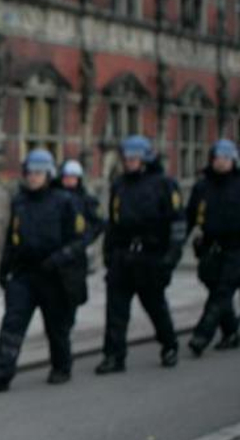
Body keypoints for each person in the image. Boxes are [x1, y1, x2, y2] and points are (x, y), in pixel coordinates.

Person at [0, 149, 87, 391]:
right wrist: (4, 268)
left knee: (56, 326)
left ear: (48, 174)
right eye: (29, 173)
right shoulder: (20, 201)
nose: (33, 177)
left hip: (53, 274)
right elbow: (12, 238)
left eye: (38, 173)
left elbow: (79, 240)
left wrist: (58, 259)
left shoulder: (65, 201)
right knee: (12, 324)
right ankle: (1, 373)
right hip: (24, 272)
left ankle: (61, 366)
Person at [96, 135, 185, 374]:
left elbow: (177, 221)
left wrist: (172, 255)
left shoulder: (164, 184)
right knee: (116, 309)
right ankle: (114, 356)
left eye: (134, 158)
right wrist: (109, 252)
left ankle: (169, 346)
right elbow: (113, 222)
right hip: (123, 256)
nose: (129, 162)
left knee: (155, 306)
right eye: (126, 158)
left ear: (145, 158)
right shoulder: (119, 184)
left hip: (150, 256)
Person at [185, 139, 240, 355]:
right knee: (215, 287)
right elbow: (190, 215)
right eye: (217, 158)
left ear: (233, 160)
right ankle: (232, 331)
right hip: (209, 247)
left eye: (225, 158)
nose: (221, 163)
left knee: (222, 291)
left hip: (236, 248)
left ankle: (201, 335)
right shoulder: (202, 186)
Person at [52, 159, 105, 325]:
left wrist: (86, 239)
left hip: (76, 253)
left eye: (73, 177)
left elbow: (99, 222)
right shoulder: (54, 196)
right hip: (57, 251)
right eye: (66, 177)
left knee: (73, 291)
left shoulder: (86, 199)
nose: (69, 181)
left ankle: (68, 322)